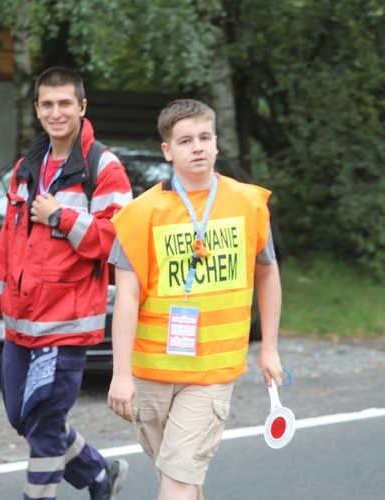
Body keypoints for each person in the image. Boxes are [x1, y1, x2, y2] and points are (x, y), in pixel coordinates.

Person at [106, 99, 284, 500]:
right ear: (168, 150)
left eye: (205, 137)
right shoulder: (140, 214)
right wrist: (120, 374)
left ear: (217, 142)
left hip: (212, 373)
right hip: (150, 372)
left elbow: (268, 272)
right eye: (186, 140)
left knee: (177, 481)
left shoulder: (247, 204)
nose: (198, 147)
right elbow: (127, 298)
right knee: (181, 479)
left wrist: (269, 348)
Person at [0, 66, 133, 500]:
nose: (56, 112)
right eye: (48, 103)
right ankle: (98, 474)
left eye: (66, 103)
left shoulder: (104, 167)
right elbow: (8, 240)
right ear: (37, 109)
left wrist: (60, 217)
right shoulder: (27, 167)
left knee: (44, 424)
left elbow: (117, 239)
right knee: (21, 416)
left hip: (66, 324)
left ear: (82, 107)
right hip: (20, 322)